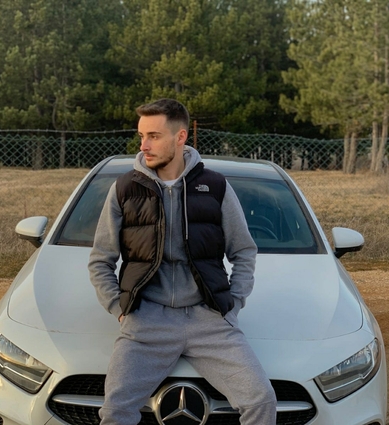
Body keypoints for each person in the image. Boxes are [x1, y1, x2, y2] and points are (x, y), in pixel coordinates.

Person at [88, 98, 277, 424]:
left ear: (180, 137)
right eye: (142, 136)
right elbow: (100, 259)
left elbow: (244, 251)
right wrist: (119, 308)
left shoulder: (215, 187)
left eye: (154, 136)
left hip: (209, 320)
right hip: (147, 321)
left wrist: (233, 304)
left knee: (261, 400)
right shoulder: (125, 189)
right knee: (115, 412)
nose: (143, 145)